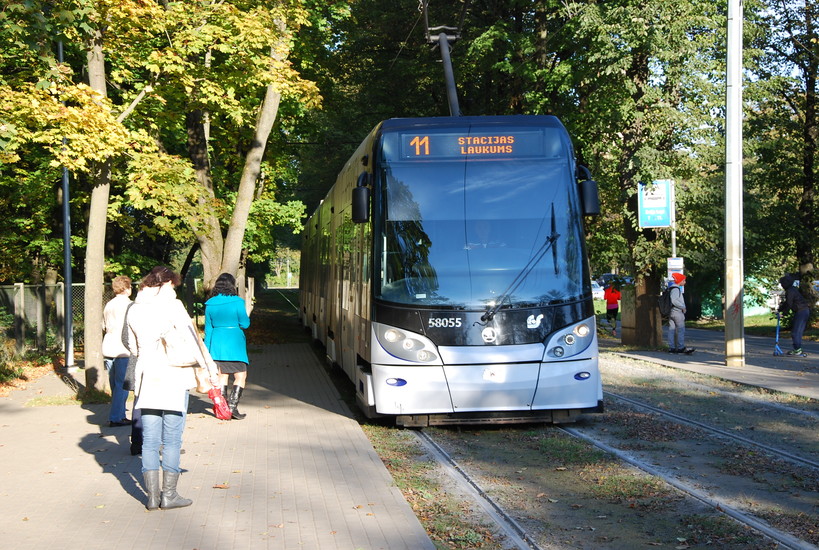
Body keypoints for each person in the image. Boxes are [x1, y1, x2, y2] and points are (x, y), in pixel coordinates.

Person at [126, 266, 220, 510]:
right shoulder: (173, 307)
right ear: (167, 283)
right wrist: (211, 371)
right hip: (174, 378)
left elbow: (131, 346)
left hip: (147, 378)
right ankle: (169, 495)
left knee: (149, 442)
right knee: (171, 441)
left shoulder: (134, 309)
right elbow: (193, 341)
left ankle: (151, 497)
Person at [204, 273, 251, 420]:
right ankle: (232, 407)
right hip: (234, 342)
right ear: (232, 285)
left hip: (217, 343)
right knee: (240, 375)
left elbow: (208, 329)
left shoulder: (210, 303)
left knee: (222, 376)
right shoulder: (237, 302)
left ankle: (222, 410)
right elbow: (245, 324)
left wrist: (207, 351)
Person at [102, 275, 133, 427]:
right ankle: (116, 417)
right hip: (123, 348)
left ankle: (119, 413)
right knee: (123, 384)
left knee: (114, 384)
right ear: (127, 288)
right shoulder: (130, 305)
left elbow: (104, 325)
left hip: (108, 346)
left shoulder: (109, 305)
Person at [778, 273, 811, 357]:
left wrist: (784, 314)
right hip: (804, 311)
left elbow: (789, 304)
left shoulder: (790, 291)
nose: (781, 286)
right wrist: (779, 310)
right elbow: (786, 303)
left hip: (801, 311)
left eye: (782, 284)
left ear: (785, 283)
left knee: (796, 332)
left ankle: (797, 349)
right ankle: (797, 349)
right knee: (798, 331)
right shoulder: (792, 289)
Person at [667, 273, 695, 354]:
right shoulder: (676, 289)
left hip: (672, 312)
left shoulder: (672, 288)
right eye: (684, 280)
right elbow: (674, 300)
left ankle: (671, 348)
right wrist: (682, 307)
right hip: (677, 312)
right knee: (680, 330)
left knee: (671, 330)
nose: (685, 282)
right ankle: (680, 347)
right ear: (680, 281)